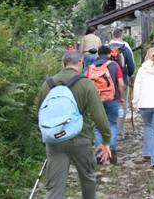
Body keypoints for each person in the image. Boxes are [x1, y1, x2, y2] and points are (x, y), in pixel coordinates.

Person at [37, 51, 111, 199]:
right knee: (88, 179)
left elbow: (40, 113)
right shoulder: (86, 83)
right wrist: (106, 140)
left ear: (63, 64)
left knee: (55, 186)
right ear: (80, 63)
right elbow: (99, 115)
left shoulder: (48, 84)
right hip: (80, 138)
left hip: (55, 140)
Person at [87, 45, 125, 164]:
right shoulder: (114, 65)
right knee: (112, 124)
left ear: (98, 54)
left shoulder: (91, 67)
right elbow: (121, 84)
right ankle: (111, 150)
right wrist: (120, 97)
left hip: (96, 100)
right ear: (109, 54)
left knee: (98, 127)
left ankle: (99, 154)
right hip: (111, 99)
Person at [109, 28, 136, 138]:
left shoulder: (106, 47)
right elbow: (131, 66)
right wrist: (128, 75)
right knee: (122, 104)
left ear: (112, 35)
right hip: (122, 80)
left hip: (108, 81)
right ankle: (120, 131)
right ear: (121, 36)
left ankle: (110, 129)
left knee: (109, 104)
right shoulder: (125, 48)